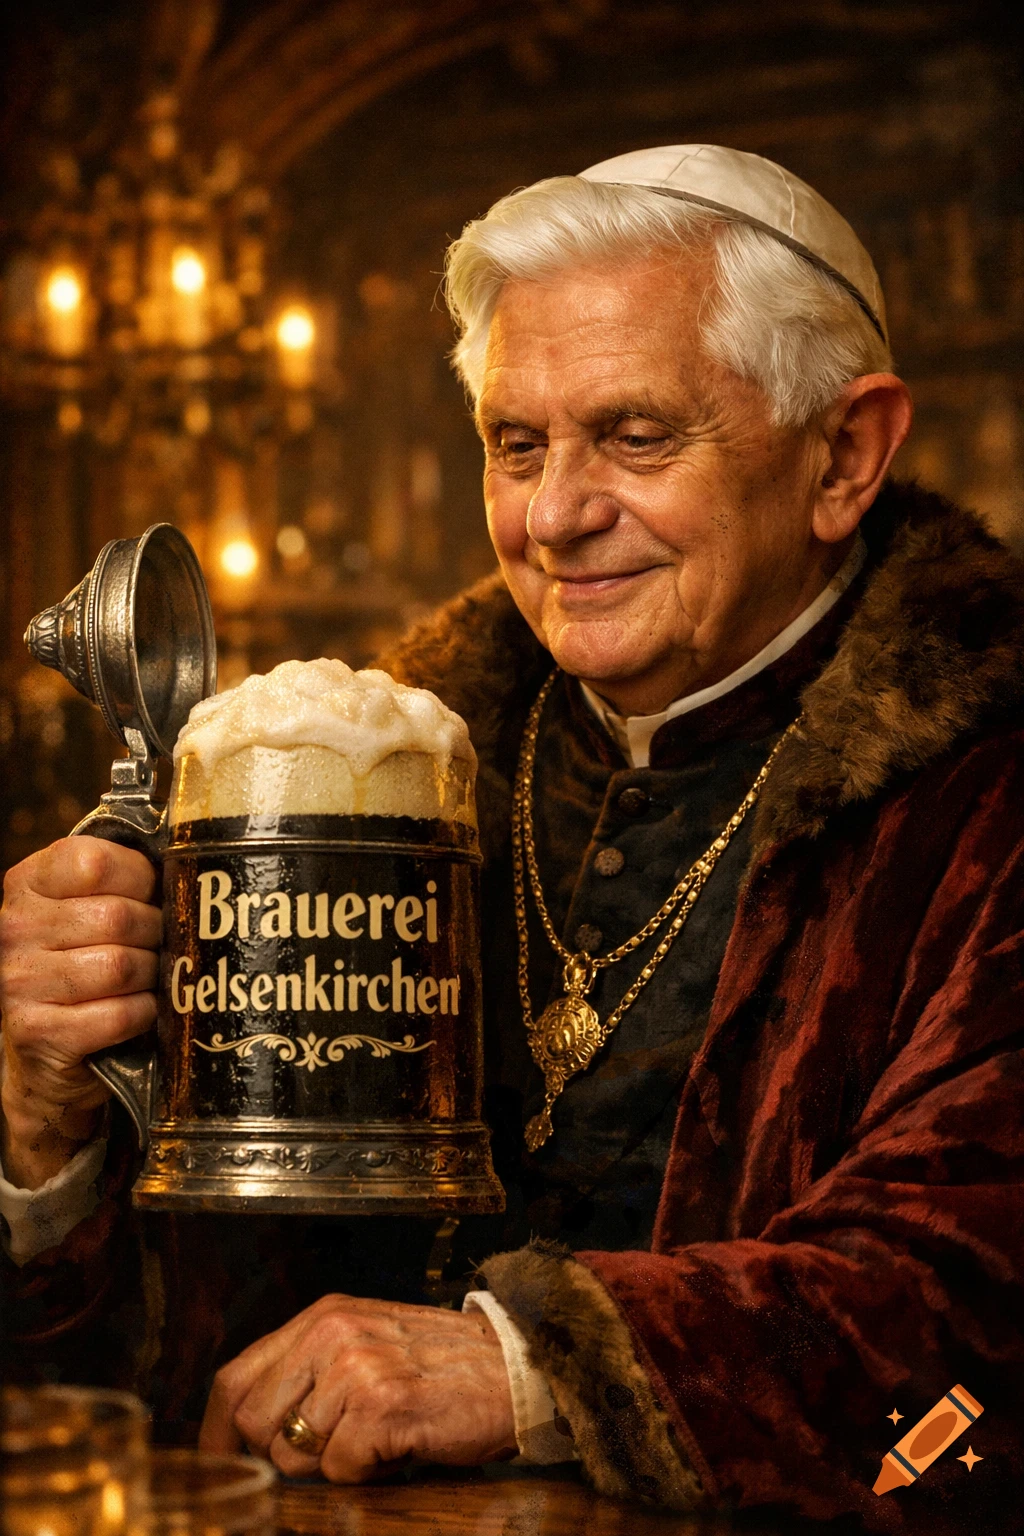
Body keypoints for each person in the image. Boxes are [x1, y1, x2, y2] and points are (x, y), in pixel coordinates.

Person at [2, 146, 1022, 1530]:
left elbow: (973, 1303)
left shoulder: (986, 790)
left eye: (637, 436)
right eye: (516, 444)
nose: (554, 518)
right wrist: (47, 1127)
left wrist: (534, 1367)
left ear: (842, 456)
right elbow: (153, 1366)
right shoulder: (364, 781)